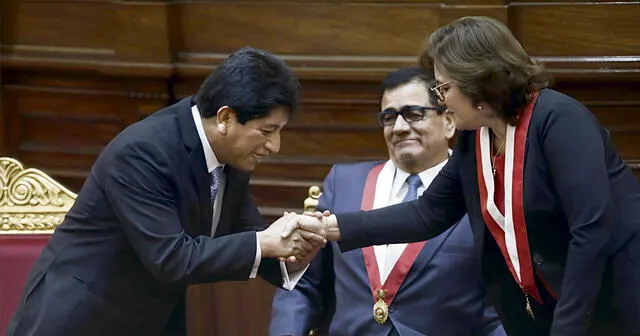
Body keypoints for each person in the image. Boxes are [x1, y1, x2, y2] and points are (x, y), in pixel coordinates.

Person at [284, 17, 640, 336]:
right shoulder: (476, 137)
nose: (442, 101)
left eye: (443, 88)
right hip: (545, 308)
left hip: (613, 299)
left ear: (476, 80)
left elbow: (590, 230)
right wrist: (330, 228)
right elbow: (427, 214)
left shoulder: (559, 119)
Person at [7, 47, 325, 336]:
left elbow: (245, 232)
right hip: (80, 320)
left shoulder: (231, 156)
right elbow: (171, 258)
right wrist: (265, 242)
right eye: (267, 131)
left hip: (150, 319)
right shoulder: (143, 152)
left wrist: (293, 251)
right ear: (226, 117)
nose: (275, 146)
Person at [269, 67, 505, 336]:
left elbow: (502, 307)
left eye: (415, 114)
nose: (401, 128)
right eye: (389, 117)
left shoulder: (482, 190)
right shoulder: (345, 183)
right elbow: (303, 281)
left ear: (449, 121)